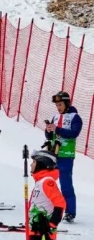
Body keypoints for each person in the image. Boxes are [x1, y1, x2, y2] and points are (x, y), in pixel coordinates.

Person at [44, 91, 81, 222]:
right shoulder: (55, 117)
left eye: (60, 104)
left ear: (66, 103)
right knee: (48, 183)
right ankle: (51, 208)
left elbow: (74, 133)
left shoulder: (75, 117)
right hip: (53, 154)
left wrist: (57, 129)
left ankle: (70, 212)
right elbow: (50, 135)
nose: (58, 107)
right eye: (56, 105)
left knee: (66, 185)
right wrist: (48, 131)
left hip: (66, 156)